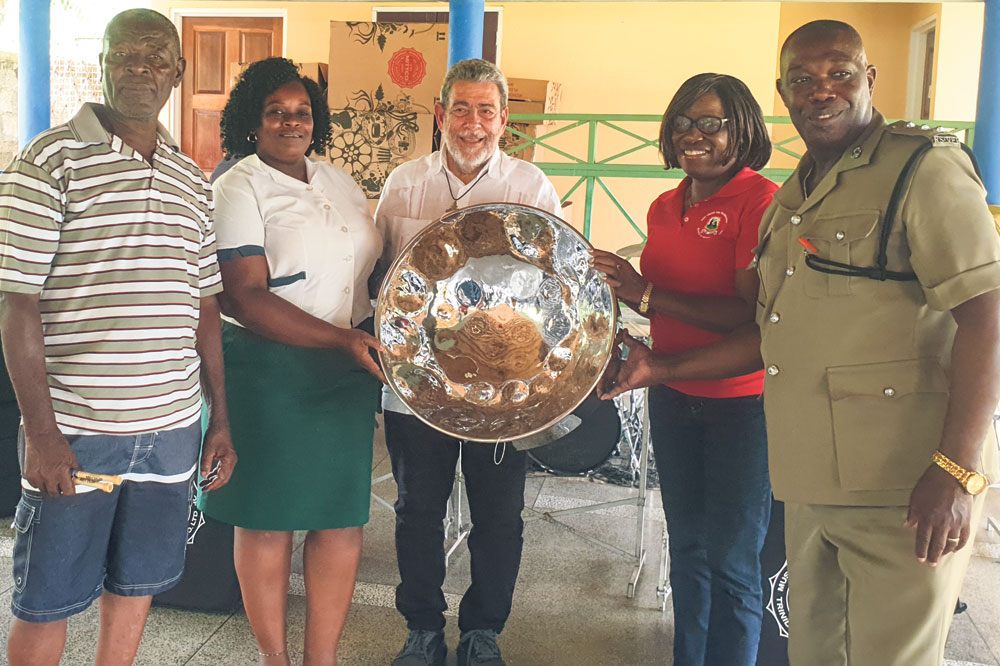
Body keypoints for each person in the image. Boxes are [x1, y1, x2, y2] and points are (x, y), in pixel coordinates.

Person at [603, 20, 1000, 666]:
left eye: (840, 73)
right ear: (783, 94)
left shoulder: (922, 170)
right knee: (812, 652)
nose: (822, 91)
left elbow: (988, 315)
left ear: (869, 78)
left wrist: (957, 470)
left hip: (901, 485)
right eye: (802, 80)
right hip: (811, 483)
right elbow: (773, 334)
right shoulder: (797, 197)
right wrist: (659, 363)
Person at [0, 9, 237, 666]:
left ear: (177, 72)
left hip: (167, 437)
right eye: (125, 55)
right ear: (101, 63)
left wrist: (217, 420)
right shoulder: (50, 160)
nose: (140, 68)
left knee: (137, 587)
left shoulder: (192, 178)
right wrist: (43, 436)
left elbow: (206, 308)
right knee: (48, 595)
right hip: (80, 435)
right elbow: (17, 304)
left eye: (156, 57)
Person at [197, 57, 385, 666]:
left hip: (346, 369)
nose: (291, 121)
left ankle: (320, 659)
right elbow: (245, 298)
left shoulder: (339, 181)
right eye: (276, 111)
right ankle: (274, 658)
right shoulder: (237, 186)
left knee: (340, 519)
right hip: (268, 370)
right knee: (267, 518)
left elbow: (372, 267)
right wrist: (343, 342)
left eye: (303, 111)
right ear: (253, 121)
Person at [374, 58, 561, 666]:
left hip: (504, 384)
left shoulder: (531, 187)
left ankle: (483, 630)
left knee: (499, 515)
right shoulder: (404, 183)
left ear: (504, 119)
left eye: (486, 111)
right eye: (460, 108)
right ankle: (422, 626)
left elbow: (557, 286)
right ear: (440, 114)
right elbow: (382, 276)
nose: (472, 124)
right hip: (420, 380)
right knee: (417, 508)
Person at [592, 73, 776, 666]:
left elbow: (756, 319)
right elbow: (656, 300)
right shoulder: (665, 205)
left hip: (742, 409)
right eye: (682, 123)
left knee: (734, 565)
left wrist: (647, 297)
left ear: (741, 128)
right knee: (688, 552)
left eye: (710, 123)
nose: (693, 135)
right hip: (670, 396)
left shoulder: (761, 201)